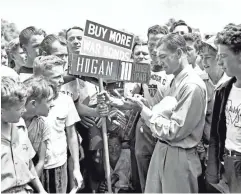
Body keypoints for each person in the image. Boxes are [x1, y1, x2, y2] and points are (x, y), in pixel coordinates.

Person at [134, 33, 207, 193]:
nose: (159, 62)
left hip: (179, 156)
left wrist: (146, 112)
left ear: (179, 53)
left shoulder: (191, 86)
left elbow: (174, 130)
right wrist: (144, 107)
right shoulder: (176, 80)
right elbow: (162, 113)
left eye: (163, 56)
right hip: (164, 150)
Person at [33, 55, 83, 193]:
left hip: (59, 166)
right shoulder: (29, 103)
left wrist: (76, 169)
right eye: (56, 77)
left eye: (62, 75)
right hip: (33, 169)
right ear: (40, 78)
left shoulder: (66, 100)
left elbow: (71, 136)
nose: (61, 81)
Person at [206, 24, 241, 193]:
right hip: (229, 162)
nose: (219, 62)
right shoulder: (223, 91)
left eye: (223, 56)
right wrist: (213, 169)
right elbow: (215, 134)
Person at [1, 76, 47, 193]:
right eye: (18, 109)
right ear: (2, 111)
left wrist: (41, 190)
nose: (24, 111)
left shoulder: (20, 125)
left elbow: (28, 162)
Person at [22, 76, 55, 177]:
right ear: (33, 104)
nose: (53, 104)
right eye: (49, 100)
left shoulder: (42, 125)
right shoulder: (10, 123)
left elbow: (41, 161)